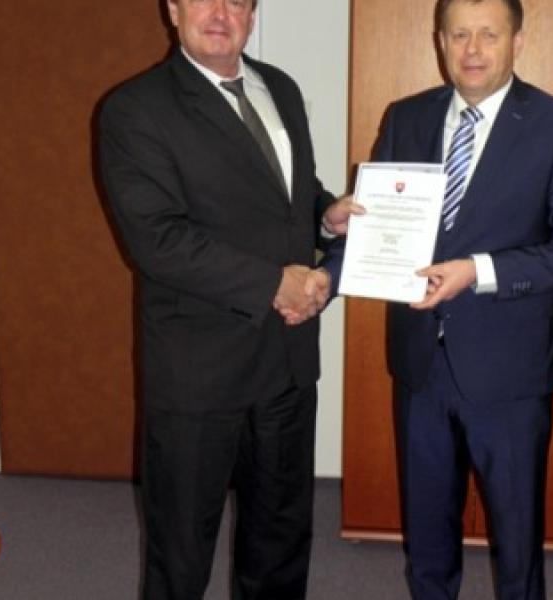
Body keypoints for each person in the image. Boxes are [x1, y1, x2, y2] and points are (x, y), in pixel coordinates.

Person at [321, 0, 553, 598]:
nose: (472, 50)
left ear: (517, 43)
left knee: (517, 538)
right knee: (427, 531)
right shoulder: (407, 116)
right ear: (440, 42)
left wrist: (477, 271)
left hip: (511, 369)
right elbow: (377, 227)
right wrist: (328, 266)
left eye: (488, 35)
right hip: (421, 363)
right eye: (459, 35)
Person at [99, 0, 351, 598]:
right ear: (173, 9)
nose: (220, 12)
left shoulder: (281, 88)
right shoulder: (135, 109)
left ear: (252, 14)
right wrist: (273, 284)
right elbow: (159, 239)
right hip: (199, 374)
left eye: (236, 0)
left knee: (281, 541)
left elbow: (290, 193)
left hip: (287, 360)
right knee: (181, 554)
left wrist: (325, 215)